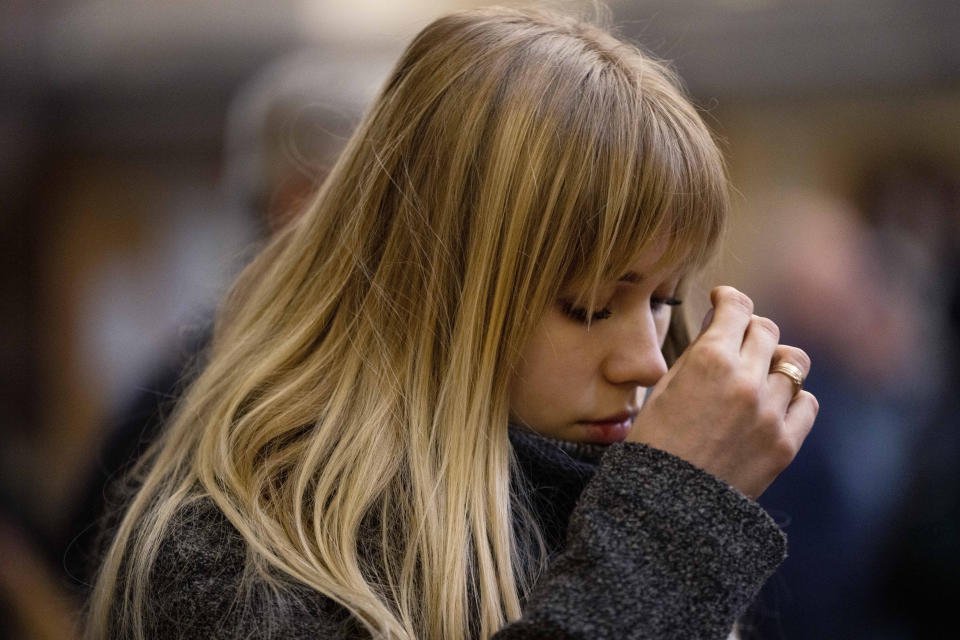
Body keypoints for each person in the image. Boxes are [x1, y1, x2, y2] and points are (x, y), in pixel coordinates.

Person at [85, 6, 817, 639]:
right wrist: (668, 527)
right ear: (435, 290)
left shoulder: (604, 494)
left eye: (662, 301)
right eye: (590, 305)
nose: (648, 363)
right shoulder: (239, 556)